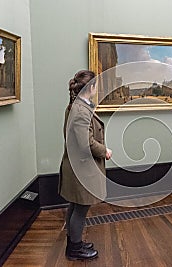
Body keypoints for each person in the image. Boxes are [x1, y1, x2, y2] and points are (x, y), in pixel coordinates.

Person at [59, 70, 112, 261]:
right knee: (80, 209)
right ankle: (75, 249)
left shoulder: (76, 105)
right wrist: (105, 151)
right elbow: (86, 144)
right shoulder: (81, 111)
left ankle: (74, 242)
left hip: (76, 168)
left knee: (74, 206)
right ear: (90, 88)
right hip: (82, 169)